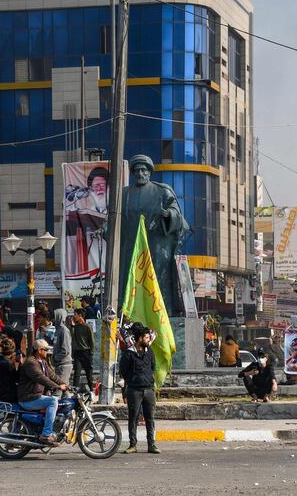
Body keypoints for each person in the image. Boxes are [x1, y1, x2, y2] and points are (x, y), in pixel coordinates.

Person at [119, 154, 189, 313]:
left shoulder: (163, 191)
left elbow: (178, 215)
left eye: (143, 170)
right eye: (136, 171)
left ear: (149, 172)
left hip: (157, 246)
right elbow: (114, 219)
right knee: (130, 279)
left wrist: (168, 215)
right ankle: (128, 312)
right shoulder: (124, 194)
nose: (140, 174)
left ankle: (162, 312)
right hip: (131, 245)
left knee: (158, 281)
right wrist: (103, 229)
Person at [17, 339, 68, 446]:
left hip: (36, 396)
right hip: (28, 398)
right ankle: (46, 434)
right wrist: (58, 387)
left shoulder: (43, 362)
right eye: (45, 350)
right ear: (39, 350)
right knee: (53, 401)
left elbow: (52, 376)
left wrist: (66, 385)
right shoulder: (31, 362)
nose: (47, 352)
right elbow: (41, 378)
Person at [120, 323, 160, 454]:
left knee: (150, 418)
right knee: (133, 417)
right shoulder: (129, 354)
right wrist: (132, 380)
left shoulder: (150, 352)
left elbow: (153, 367)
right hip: (134, 390)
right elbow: (123, 371)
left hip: (149, 390)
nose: (148, 340)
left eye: (149, 337)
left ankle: (151, 444)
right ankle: (133, 444)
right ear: (139, 339)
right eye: (146, 338)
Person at [71, 308, 95, 391]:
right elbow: (73, 337)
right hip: (78, 353)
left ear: (80, 315)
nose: (74, 316)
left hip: (86, 352)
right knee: (77, 373)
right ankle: (75, 391)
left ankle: (91, 390)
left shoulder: (87, 327)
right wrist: (72, 326)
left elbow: (91, 340)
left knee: (89, 373)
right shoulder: (76, 327)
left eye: (75, 314)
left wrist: (91, 352)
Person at [0, 338, 21, 404]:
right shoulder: (8, 364)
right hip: (11, 395)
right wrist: (19, 364)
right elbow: (17, 379)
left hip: (0, 392)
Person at [51, 309, 73, 395]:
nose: (53, 319)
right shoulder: (57, 330)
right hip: (59, 364)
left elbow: (65, 350)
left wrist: (56, 357)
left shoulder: (64, 330)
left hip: (64, 364)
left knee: (58, 390)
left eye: (55, 316)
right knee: (64, 390)